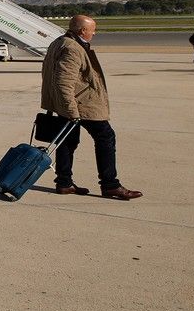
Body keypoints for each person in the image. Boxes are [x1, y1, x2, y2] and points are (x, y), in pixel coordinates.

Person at [41, 14, 142, 201]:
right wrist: (71, 111)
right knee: (106, 137)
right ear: (82, 31)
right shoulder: (73, 48)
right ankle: (110, 185)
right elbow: (63, 82)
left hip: (66, 104)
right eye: (92, 30)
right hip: (80, 105)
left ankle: (64, 183)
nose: (94, 33)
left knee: (67, 142)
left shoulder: (59, 42)